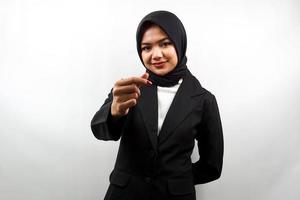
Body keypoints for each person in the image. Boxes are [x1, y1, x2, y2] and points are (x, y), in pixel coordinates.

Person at [91, 10, 224, 200]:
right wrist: (114, 112)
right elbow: (99, 131)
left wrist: (177, 181)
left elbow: (212, 166)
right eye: (146, 47)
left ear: (179, 44)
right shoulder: (129, 88)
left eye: (165, 43)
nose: (156, 55)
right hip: (125, 195)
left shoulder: (204, 100)